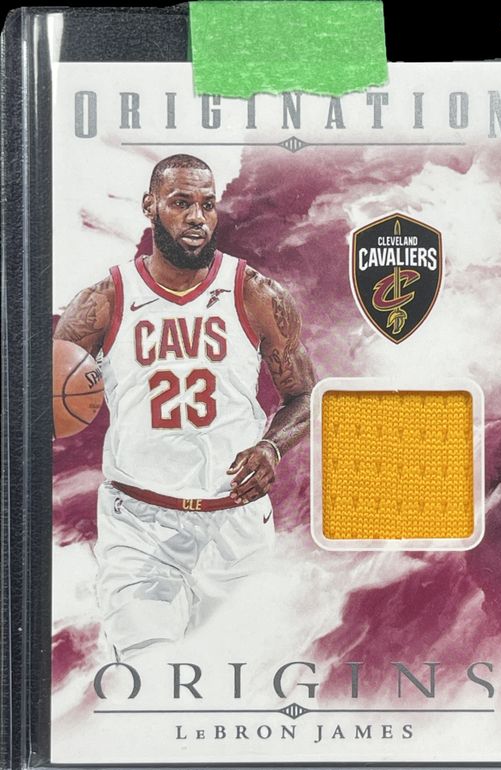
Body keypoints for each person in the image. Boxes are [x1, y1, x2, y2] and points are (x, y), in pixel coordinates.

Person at [54, 154, 316, 659]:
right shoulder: (104, 301)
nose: (197, 217)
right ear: (149, 206)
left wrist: (271, 448)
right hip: (140, 525)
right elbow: (39, 401)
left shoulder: (255, 293)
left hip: (236, 523)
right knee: (148, 677)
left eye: (207, 205)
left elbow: (304, 395)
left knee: (239, 680)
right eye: (180, 203)